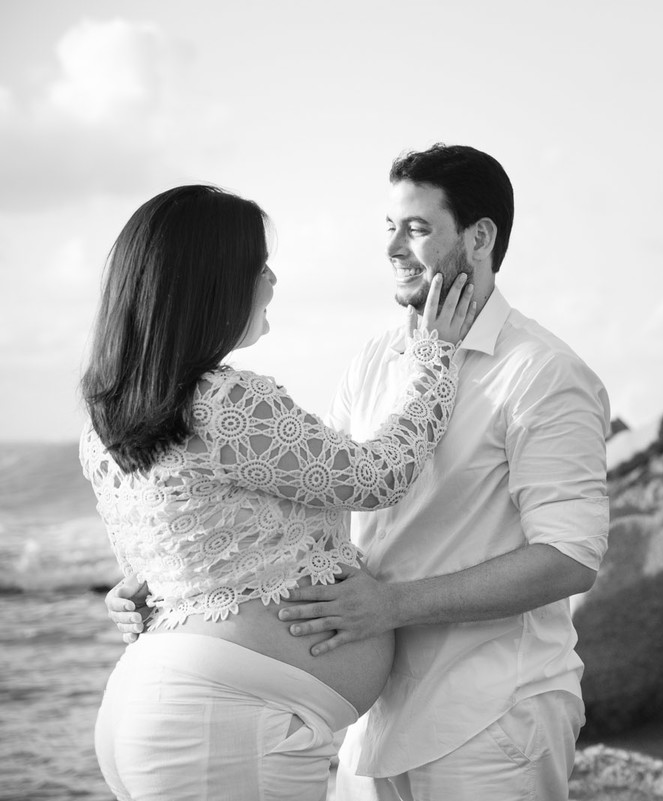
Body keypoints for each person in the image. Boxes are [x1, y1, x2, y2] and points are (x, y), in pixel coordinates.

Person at [110, 145, 611, 800]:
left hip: (492, 712)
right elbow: (312, 509)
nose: (394, 247)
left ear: (480, 236)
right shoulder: (374, 360)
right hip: (367, 723)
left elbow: (570, 557)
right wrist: (171, 577)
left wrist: (392, 605)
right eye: (388, 227)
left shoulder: (543, 372)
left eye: (417, 227)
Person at [82, 184, 476, 801]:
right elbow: (380, 476)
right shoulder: (228, 401)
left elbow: (148, 576)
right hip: (221, 718)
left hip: (158, 704)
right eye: (256, 265)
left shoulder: (105, 426)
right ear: (211, 283)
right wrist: (435, 354)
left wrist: (126, 600)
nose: (270, 280)